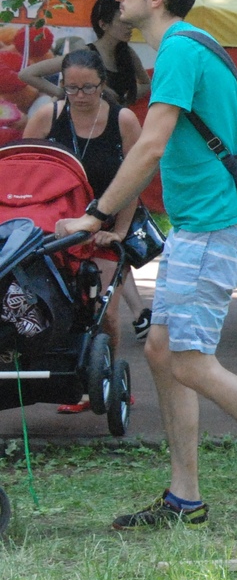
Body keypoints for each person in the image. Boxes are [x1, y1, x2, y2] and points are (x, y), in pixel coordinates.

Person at [54, 0, 237, 531]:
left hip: (214, 225)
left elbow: (150, 145)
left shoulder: (178, 50)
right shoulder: (191, 45)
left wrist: (96, 216)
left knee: (190, 361)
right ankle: (184, 496)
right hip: (201, 224)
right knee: (162, 352)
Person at [23, 46, 143, 413]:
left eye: (88, 88)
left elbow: (135, 179)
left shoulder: (123, 120)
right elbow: (23, 172)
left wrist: (119, 232)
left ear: (103, 84)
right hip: (55, 231)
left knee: (105, 311)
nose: (79, 96)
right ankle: (67, 377)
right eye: (71, 88)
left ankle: (105, 380)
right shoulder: (47, 116)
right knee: (58, 305)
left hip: (104, 228)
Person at [21, 0, 150, 107]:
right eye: (123, 22)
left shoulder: (128, 53)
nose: (130, 27)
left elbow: (146, 84)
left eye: (129, 22)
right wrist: (62, 93)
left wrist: (122, 101)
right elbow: (27, 74)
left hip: (113, 120)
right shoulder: (85, 53)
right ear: (103, 24)